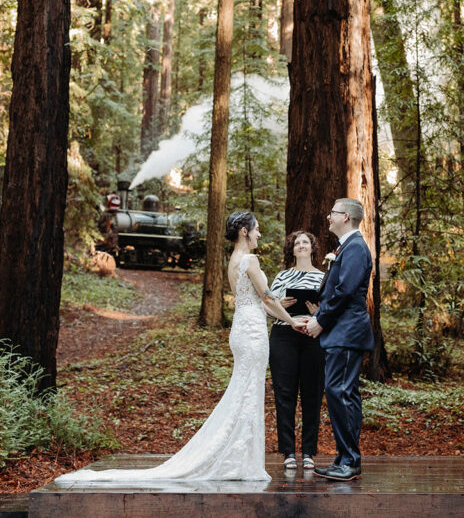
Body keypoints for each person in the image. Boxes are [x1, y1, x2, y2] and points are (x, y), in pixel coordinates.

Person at [54, 211, 301, 486]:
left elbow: (258, 302)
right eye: (256, 229)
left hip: (243, 327)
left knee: (244, 391)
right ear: (244, 231)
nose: (259, 234)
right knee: (249, 392)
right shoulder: (250, 260)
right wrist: (291, 321)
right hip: (252, 333)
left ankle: (239, 458)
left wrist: (280, 311)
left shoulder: (234, 260)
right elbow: (267, 298)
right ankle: (239, 459)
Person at [301, 198, 374, 482]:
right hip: (342, 331)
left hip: (347, 332)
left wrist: (321, 320)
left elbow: (345, 291)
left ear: (345, 217)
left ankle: (350, 460)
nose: (328, 217)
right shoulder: (346, 247)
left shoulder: (355, 248)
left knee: (339, 391)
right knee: (344, 393)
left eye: (332, 212)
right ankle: (345, 458)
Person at [267, 230, 326, 471]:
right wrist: (279, 305)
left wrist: (318, 314)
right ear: (292, 250)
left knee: (313, 394)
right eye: (297, 243)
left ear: (313, 248)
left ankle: (309, 452)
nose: (301, 245)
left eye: (305, 242)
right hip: (284, 337)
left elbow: (330, 309)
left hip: (313, 336)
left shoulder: (323, 277)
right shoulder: (282, 276)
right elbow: (267, 307)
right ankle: (288, 452)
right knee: (285, 394)